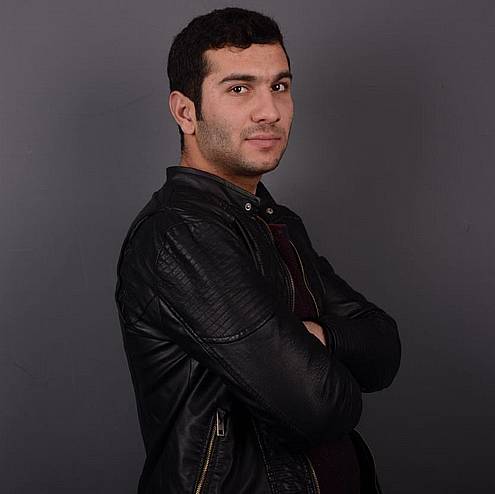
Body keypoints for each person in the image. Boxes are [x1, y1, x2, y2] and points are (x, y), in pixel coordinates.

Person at [114, 7, 401, 494]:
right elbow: (319, 406)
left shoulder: (272, 221)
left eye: (280, 86)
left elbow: (384, 347)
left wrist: (317, 338)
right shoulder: (179, 236)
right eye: (239, 89)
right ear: (185, 112)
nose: (269, 111)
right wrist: (327, 356)